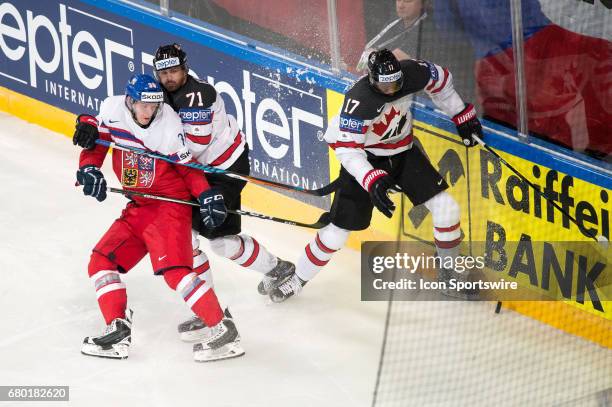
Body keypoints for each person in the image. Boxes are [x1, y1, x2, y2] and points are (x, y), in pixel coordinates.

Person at [268, 49, 483, 302]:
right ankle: (298, 278)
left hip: (403, 152)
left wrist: (461, 114)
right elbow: (348, 152)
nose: (392, 90)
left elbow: (442, 81)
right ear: (371, 80)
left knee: (447, 209)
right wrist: (372, 178)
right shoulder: (359, 101)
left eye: (395, 83)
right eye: (385, 85)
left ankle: (450, 275)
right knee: (337, 233)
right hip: (365, 159)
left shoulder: (413, 72)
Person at [73, 73, 244, 362]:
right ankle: (117, 330)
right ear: (130, 101)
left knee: (176, 272)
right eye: (143, 106)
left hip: (169, 207)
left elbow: (188, 169)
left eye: (154, 106)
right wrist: (90, 169)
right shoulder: (113, 110)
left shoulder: (168, 126)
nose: (149, 112)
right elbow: (97, 141)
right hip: (139, 206)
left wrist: (205, 195)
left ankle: (224, 331)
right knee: (101, 260)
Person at [357, 0, 476, 102]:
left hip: (430, 96)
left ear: (423, 4)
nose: (401, 5)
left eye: (408, 1)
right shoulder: (395, 21)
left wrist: (374, 57)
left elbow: (398, 58)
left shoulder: (429, 28)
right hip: (402, 87)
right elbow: (375, 48)